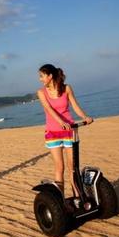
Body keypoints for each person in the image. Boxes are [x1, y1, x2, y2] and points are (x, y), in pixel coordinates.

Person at [37, 64, 93, 210]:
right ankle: (60, 202)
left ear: (50, 76)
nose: (40, 79)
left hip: (69, 131)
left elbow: (75, 105)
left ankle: (77, 198)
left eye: (42, 76)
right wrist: (61, 122)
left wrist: (85, 116)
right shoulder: (41, 92)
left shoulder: (67, 88)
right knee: (59, 167)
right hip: (53, 133)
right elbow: (49, 110)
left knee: (73, 167)